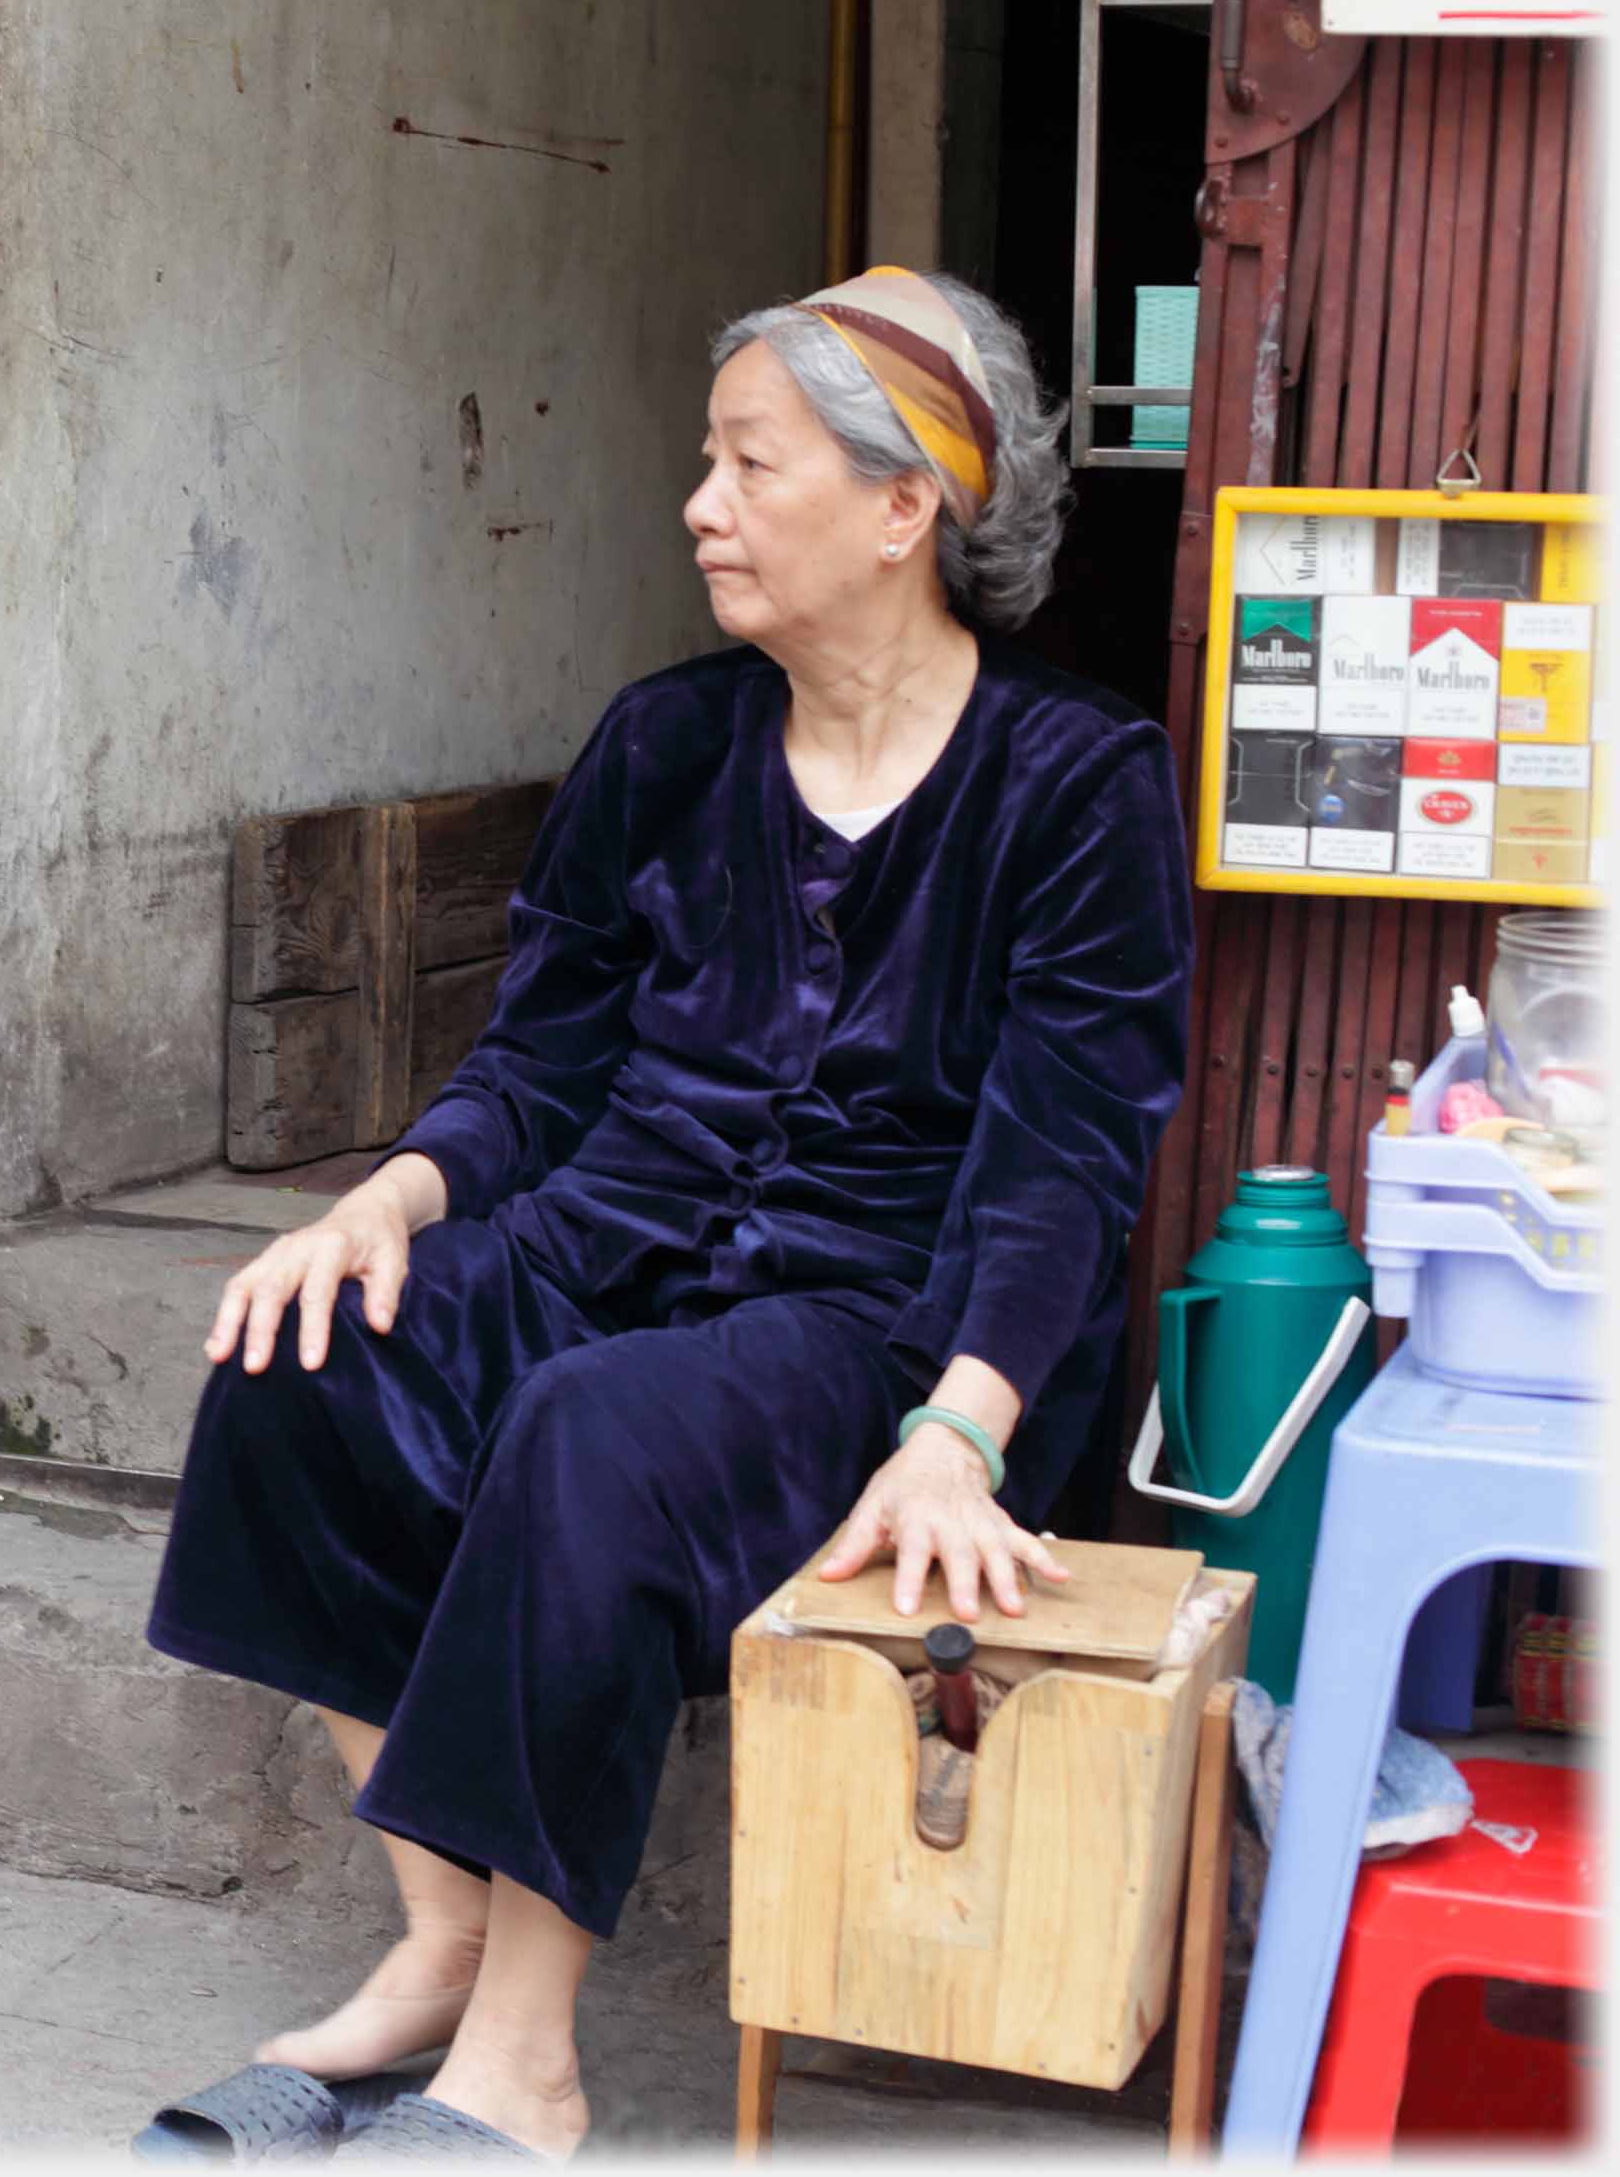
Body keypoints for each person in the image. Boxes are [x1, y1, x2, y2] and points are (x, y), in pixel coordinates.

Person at [136, 269, 1193, 2163]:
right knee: (296, 1354)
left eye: (745, 465)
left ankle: (525, 2066)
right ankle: (446, 1940)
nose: (699, 506)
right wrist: (389, 1198)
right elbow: (540, 1061)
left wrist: (965, 1424)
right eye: (706, 463)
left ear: (905, 505)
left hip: (873, 1319)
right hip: (607, 1243)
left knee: (591, 1431)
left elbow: (1064, 1151)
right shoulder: (666, 742)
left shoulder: (1073, 781)